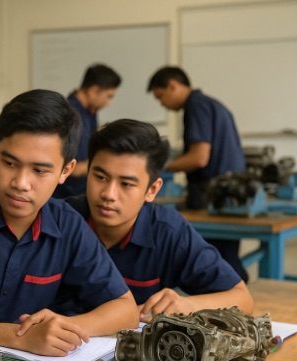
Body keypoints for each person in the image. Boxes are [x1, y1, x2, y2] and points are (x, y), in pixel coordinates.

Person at [0, 89, 139, 357]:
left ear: (66, 171)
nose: (20, 183)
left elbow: (125, 308)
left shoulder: (67, 225)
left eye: (39, 170)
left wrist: (62, 329)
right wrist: (21, 337)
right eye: (10, 163)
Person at [66, 119, 253, 321]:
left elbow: (243, 299)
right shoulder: (61, 222)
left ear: (152, 190)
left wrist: (187, 304)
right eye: (100, 177)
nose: (109, 194)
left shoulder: (169, 232)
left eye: (126, 184)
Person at [147, 66, 249, 283]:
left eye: (160, 96)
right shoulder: (212, 104)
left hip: (211, 194)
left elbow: (198, 158)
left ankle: (229, 299)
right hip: (230, 193)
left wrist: (159, 167)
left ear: (173, 86)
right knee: (228, 256)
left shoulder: (195, 106)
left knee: (211, 260)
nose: (162, 104)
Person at [53, 64, 121, 199]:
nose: (108, 103)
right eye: (109, 96)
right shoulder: (69, 114)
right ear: (94, 90)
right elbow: (74, 169)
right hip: (67, 194)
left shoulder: (90, 111)